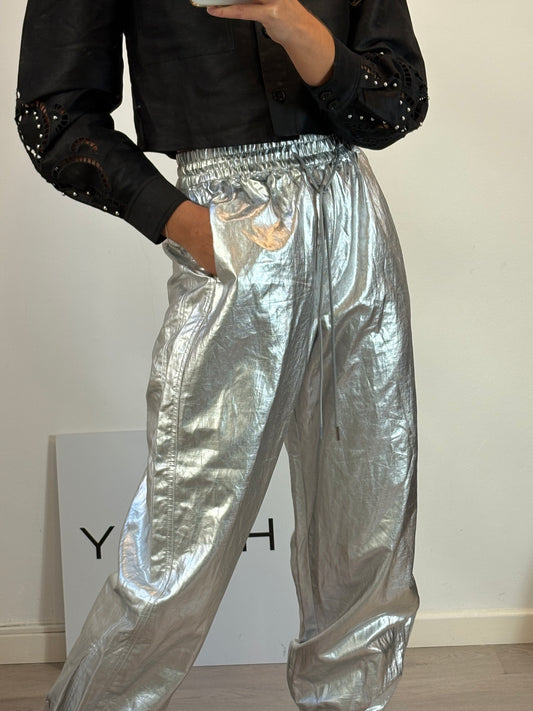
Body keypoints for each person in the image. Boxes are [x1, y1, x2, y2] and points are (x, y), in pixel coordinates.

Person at [16, 1, 428, 709]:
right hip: (229, 222)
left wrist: (290, 20)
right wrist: (188, 226)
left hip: (353, 215)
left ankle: (351, 701)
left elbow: (398, 102)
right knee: (183, 529)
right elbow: (52, 116)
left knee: (368, 513)